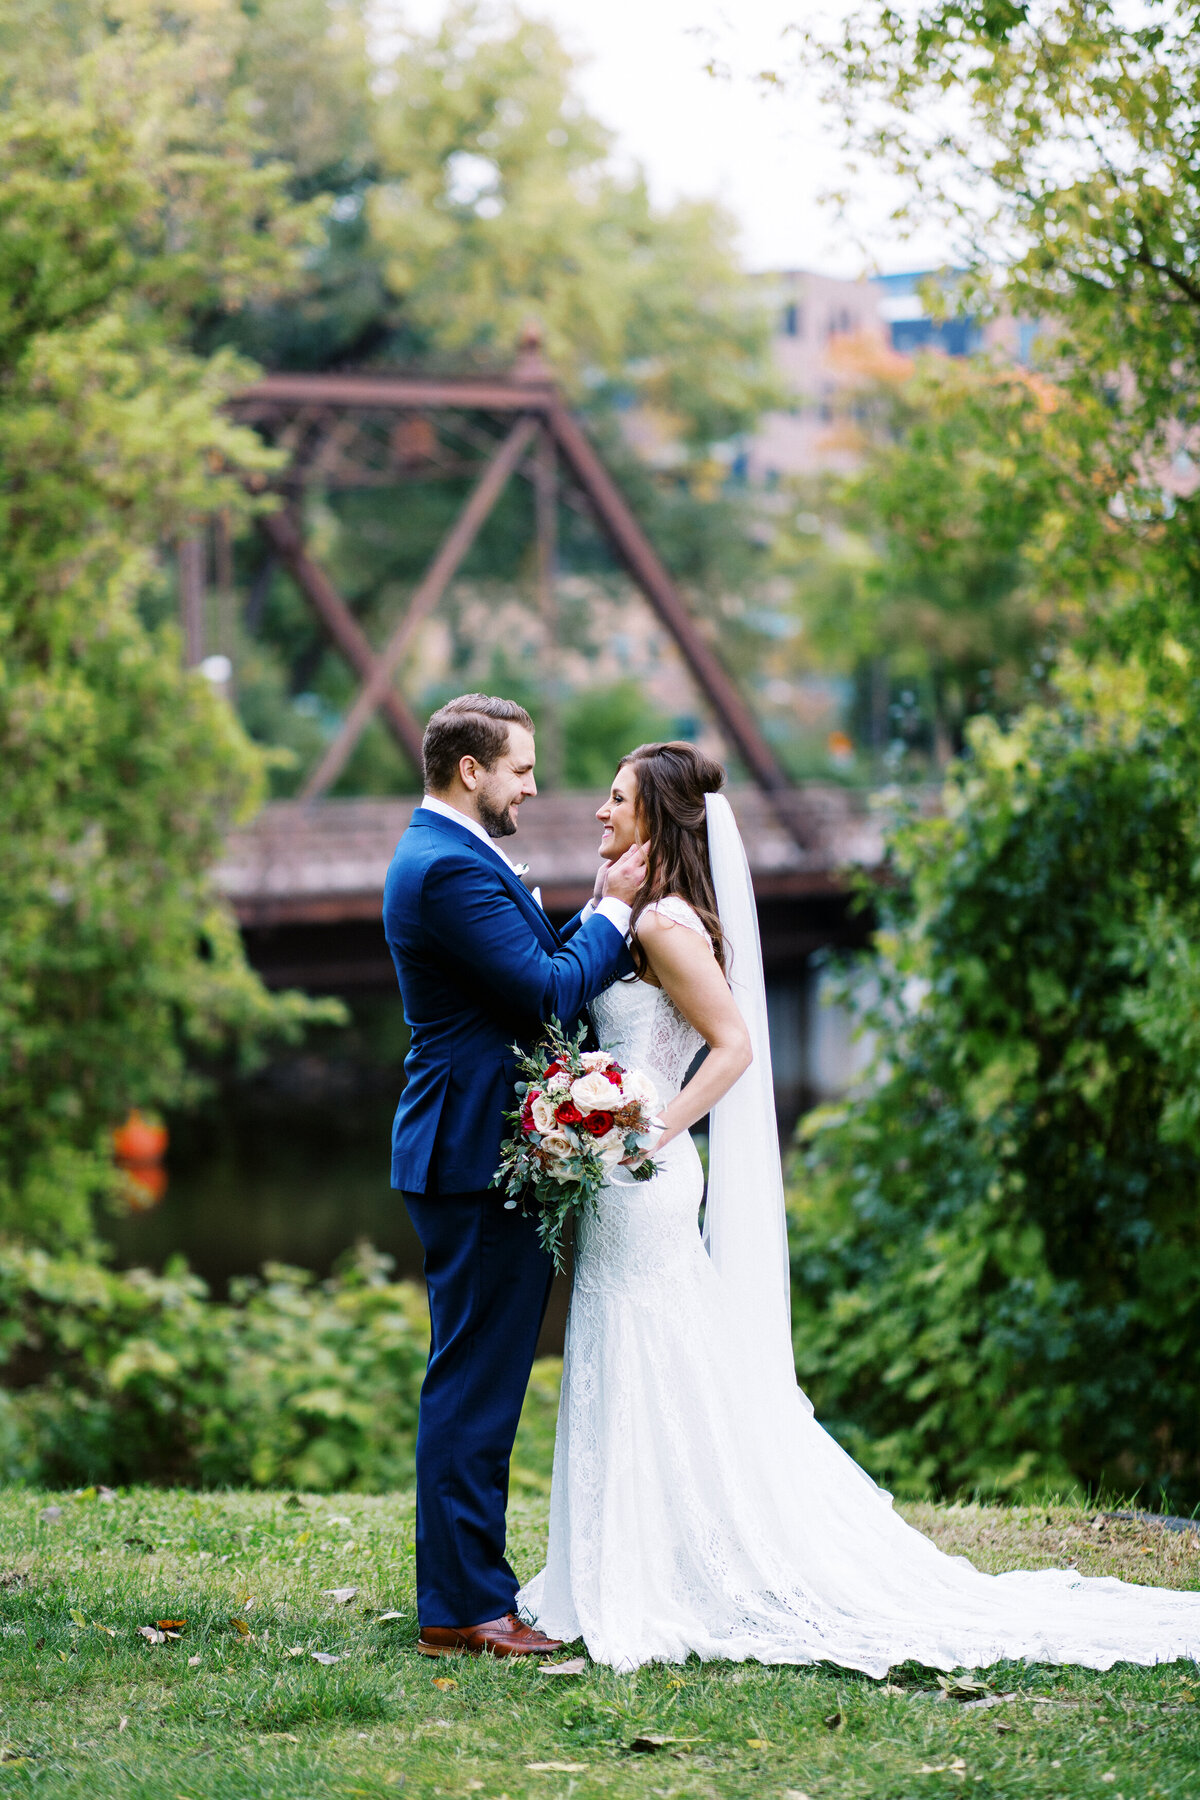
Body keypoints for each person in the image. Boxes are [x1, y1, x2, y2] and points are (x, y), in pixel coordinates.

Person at [519, 740, 1200, 1674]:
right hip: (623, 1171)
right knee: (632, 1345)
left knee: (649, 1345)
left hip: (645, 1172)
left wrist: (653, 1129)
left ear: (659, 818)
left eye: (616, 798)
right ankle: (629, 1557)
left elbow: (732, 1048)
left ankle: (661, 1571)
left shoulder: (669, 926)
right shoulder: (638, 914)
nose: (600, 812)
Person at [382, 694, 647, 1659]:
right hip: (475, 1152)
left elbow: (529, 966)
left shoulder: (454, 858)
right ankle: (461, 1608)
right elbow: (543, 992)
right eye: (522, 769)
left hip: (480, 1147)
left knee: (479, 1378)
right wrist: (616, 908)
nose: (534, 787)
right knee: (475, 1385)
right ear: (471, 771)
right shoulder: (446, 868)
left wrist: (596, 910)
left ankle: (469, 1593)